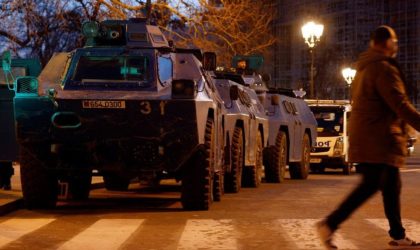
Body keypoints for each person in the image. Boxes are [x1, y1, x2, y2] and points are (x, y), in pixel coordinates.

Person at [316, 25, 420, 249]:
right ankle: (330, 224)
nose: (396, 46)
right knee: (370, 186)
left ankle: (398, 235)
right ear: (386, 43)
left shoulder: (366, 67)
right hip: (378, 139)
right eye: (394, 42)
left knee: (391, 186)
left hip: (373, 137)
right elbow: (399, 103)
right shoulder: (382, 68)